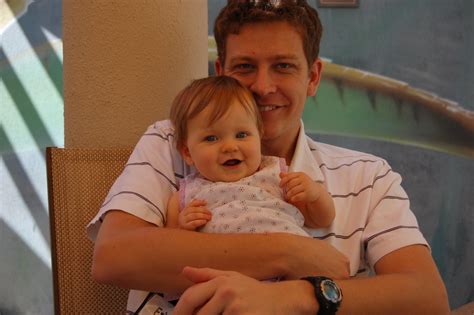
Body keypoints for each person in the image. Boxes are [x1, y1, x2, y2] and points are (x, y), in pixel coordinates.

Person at [88, 1, 450, 314]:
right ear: (221, 73)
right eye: (245, 66)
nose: (262, 86)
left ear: (313, 76)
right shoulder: (171, 142)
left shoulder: (368, 176)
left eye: (283, 66)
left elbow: (427, 299)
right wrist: (289, 252)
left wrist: (299, 296)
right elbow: (113, 257)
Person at [166, 75, 335, 237]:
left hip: (290, 259)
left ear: (259, 136)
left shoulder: (279, 176)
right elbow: (169, 247)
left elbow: (322, 220)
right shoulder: (187, 195)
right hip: (222, 263)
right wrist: (183, 227)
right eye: (211, 138)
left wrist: (315, 194)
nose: (230, 147)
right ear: (187, 152)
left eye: (241, 135)